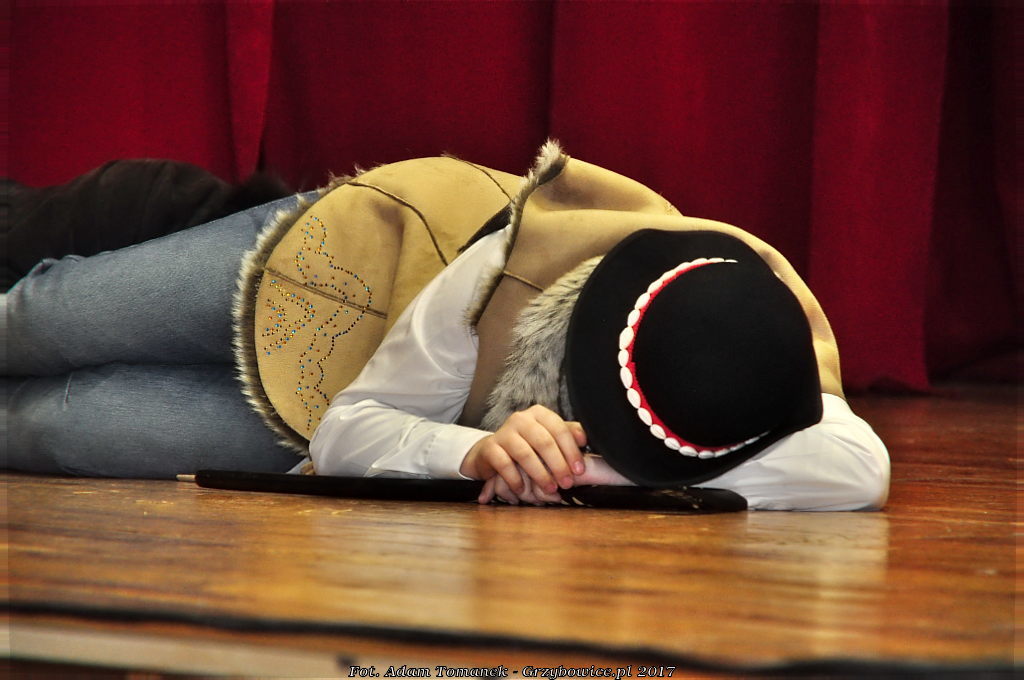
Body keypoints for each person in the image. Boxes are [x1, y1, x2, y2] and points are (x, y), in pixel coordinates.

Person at [3, 142, 890, 510]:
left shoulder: (765, 360)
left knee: (61, 426)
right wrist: (503, 448)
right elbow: (362, 419)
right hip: (354, 276)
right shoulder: (512, 263)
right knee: (46, 321)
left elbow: (860, 471)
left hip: (354, 420)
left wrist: (511, 458)